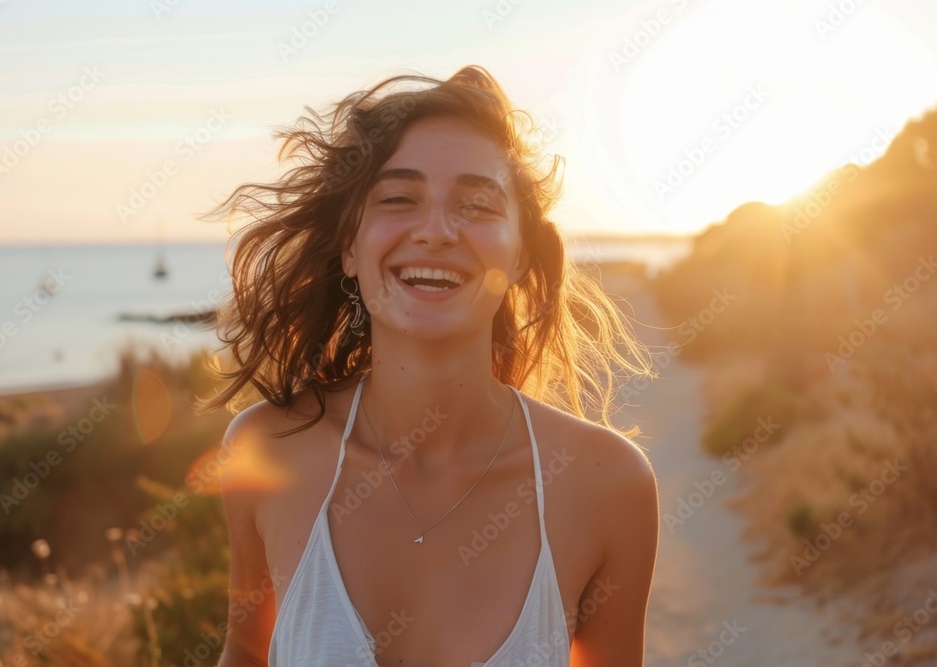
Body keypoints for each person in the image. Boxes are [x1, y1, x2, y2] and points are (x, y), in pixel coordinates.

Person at [199, 65, 659, 667]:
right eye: (398, 199)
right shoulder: (268, 450)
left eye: (476, 204)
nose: (437, 231)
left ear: (520, 254)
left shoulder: (606, 483)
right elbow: (244, 654)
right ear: (349, 247)